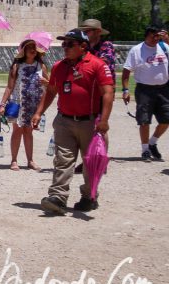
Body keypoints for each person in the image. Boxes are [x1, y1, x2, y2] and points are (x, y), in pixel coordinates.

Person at [33, 29, 114, 215]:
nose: (65, 47)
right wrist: (38, 113)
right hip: (64, 120)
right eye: (64, 44)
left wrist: (104, 120)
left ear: (83, 46)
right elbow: (51, 91)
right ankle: (58, 197)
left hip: (90, 122)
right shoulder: (59, 67)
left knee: (90, 163)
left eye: (70, 44)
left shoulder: (97, 65)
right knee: (63, 160)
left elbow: (108, 93)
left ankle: (89, 195)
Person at [0, 38, 49, 170]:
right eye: (29, 47)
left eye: (34, 47)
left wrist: (46, 82)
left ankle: (30, 160)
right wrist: (2, 104)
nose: (32, 50)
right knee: (17, 131)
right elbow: (9, 87)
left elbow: (50, 86)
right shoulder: (17, 66)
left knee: (29, 131)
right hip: (18, 101)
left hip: (33, 104)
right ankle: (14, 160)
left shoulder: (41, 66)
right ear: (24, 51)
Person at [122, 26, 169, 162]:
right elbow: (126, 72)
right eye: (153, 36)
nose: (156, 39)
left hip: (164, 89)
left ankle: (152, 142)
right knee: (144, 120)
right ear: (146, 36)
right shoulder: (137, 50)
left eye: (158, 36)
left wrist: (167, 39)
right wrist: (125, 90)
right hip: (144, 90)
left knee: (166, 119)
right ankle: (145, 150)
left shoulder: (164, 47)